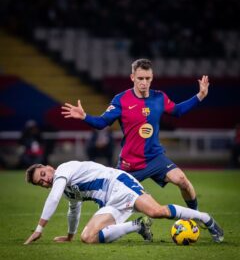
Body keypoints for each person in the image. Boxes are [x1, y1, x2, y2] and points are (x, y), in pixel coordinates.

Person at [61, 59, 210, 211]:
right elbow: (102, 123)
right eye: (140, 78)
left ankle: (195, 215)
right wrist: (85, 116)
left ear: (152, 78)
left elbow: (177, 111)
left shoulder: (159, 97)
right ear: (132, 77)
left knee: (182, 180)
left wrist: (200, 96)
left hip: (155, 157)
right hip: (130, 163)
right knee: (110, 204)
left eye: (147, 78)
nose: (144, 82)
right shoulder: (121, 99)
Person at [23, 160, 223, 245]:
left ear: (48, 167)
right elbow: (73, 211)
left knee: (157, 211)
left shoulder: (64, 170)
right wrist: (69, 236)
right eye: (40, 182)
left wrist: (40, 229)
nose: (44, 180)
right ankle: (137, 226)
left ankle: (206, 218)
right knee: (87, 237)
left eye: (42, 174)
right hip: (110, 202)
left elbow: (54, 197)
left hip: (119, 184)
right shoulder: (66, 190)